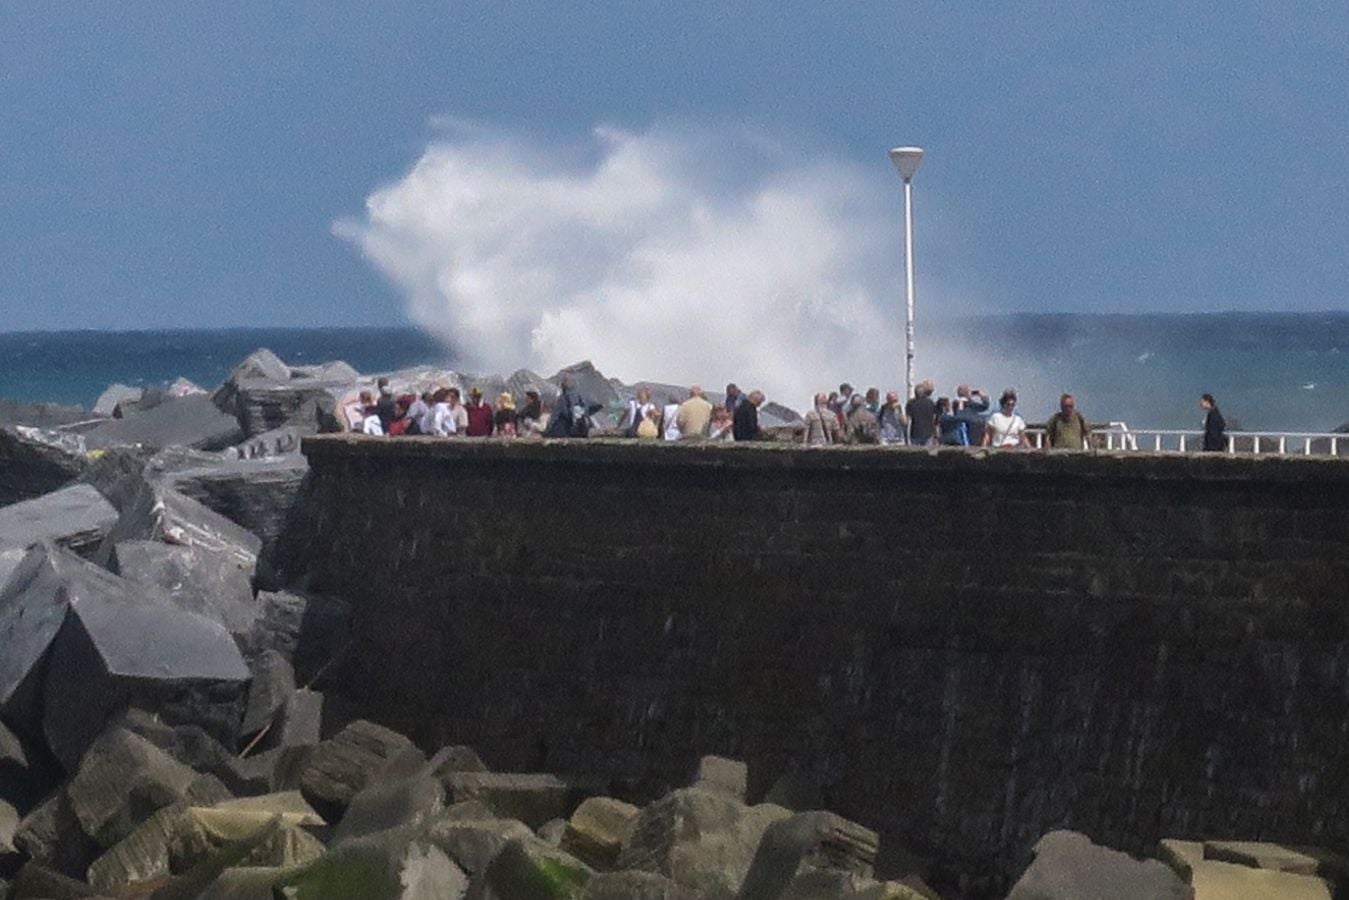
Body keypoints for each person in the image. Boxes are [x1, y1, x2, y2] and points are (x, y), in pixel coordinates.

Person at [906, 381, 937, 447]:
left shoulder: (911, 403)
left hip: (918, 433)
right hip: (925, 433)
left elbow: (907, 419)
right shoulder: (930, 402)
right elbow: (935, 418)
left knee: (916, 453)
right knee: (928, 454)